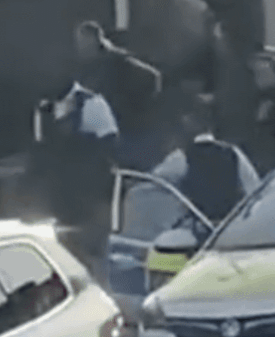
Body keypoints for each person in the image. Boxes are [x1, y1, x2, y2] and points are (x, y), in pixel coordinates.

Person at [28, 82, 120, 281]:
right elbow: (41, 154)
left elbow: (110, 148)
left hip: (90, 200)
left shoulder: (92, 103)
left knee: (96, 260)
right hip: (59, 202)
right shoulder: (43, 109)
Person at [153, 93, 260, 224]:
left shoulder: (181, 158)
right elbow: (255, 192)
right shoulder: (234, 154)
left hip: (196, 231)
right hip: (228, 229)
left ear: (188, 120)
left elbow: (153, 184)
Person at [75, 21, 163, 171]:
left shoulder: (117, 61)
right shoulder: (87, 66)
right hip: (104, 130)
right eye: (79, 42)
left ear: (96, 41)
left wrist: (138, 107)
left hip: (128, 129)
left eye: (84, 42)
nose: (80, 47)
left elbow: (153, 77)